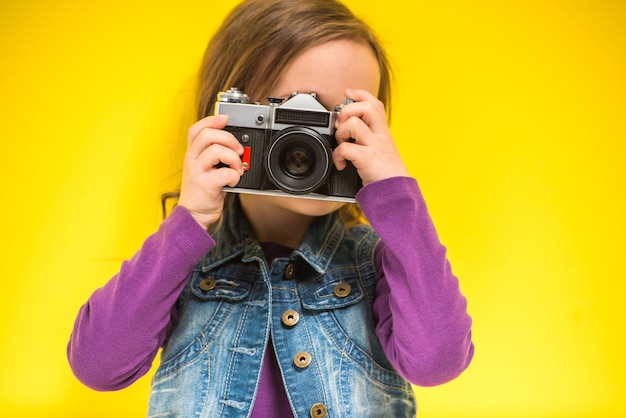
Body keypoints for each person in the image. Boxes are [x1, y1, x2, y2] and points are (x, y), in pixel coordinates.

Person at [67, 0, 474, 416]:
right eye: (290, 111)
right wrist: (190, 220)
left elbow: (437, 363)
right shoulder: (182, 260)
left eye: (341, 118)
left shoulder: (378, 263)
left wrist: (394, 195)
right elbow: (98, 367)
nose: (310, 144)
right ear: (227, 114)